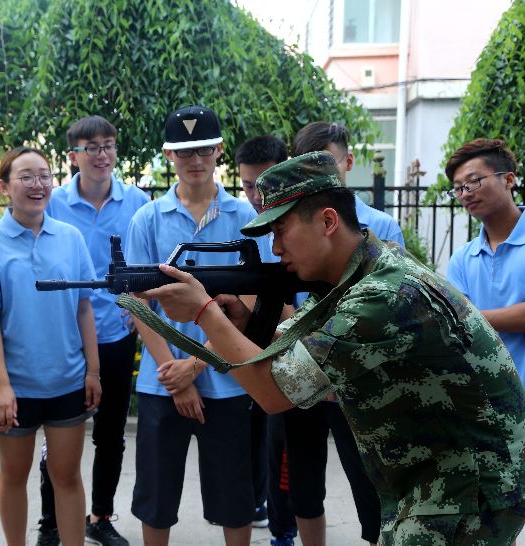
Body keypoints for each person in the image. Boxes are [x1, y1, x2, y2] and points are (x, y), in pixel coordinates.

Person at [140, 150, 525, 544]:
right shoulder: (363, 269)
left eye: (281, 231)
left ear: (327, 221)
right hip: (443, 473)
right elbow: (298, 346)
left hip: (469, 486)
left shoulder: (381, 296)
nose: (275, 249)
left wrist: (204, 311)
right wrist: (241, 322)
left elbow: (274, 392)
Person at [127, 105, 273, 546]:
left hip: (229, 379)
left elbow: (251, 297)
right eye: (185, 151)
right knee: (156, 497)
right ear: (170, 154)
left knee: (235, 496)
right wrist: (177, 373)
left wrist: (197, 363)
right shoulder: (147, 219)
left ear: (219, 150)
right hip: (163, 381)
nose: (196, 161)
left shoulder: (245, 219)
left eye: (204, 150)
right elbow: (136, 301)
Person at [279, 121, 407, 546]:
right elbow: (283, 294)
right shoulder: (290, 224)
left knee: (370, 479)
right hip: (305, 362)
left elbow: (385, 312)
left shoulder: (381, 228)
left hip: (359, 377)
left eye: (327, 164)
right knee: (302, 478)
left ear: (348, 162)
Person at [0, 147, 101, 546]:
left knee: (67, 475)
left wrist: (92, 371)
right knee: (13, 475)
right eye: (26, 177)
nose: (37, 185)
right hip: (15, 387)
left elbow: (83, 308)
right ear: (4, 187)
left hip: (65, 379)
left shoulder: (71, 237)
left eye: (44, 175)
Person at [37, 116, 149, 546]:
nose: (102, 155)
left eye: (108, 146)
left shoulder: (137, 202)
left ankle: (100, 517)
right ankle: (51, 523)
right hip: (65, 339)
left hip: (117, 336)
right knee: (57, 436)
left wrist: (142, 306)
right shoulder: (54, 203)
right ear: (73, 157)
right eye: (92, 147)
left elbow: (150, 265)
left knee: (110, 434)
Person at [235, 135, 298, 546]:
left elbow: (305, 321)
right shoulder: (253, 224)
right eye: (246, 186)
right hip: (273, 355)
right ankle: (278, 525)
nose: (255, 196)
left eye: (263, 185)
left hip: (302, 354)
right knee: (271, 450)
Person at [446, 138, 525, 382]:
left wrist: (473, 319)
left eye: (474, 182)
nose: (465, 194)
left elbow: (460, 320)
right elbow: (455, 330)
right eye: (458, 188)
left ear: (509, 180)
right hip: (490, 404)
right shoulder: (461, 259)